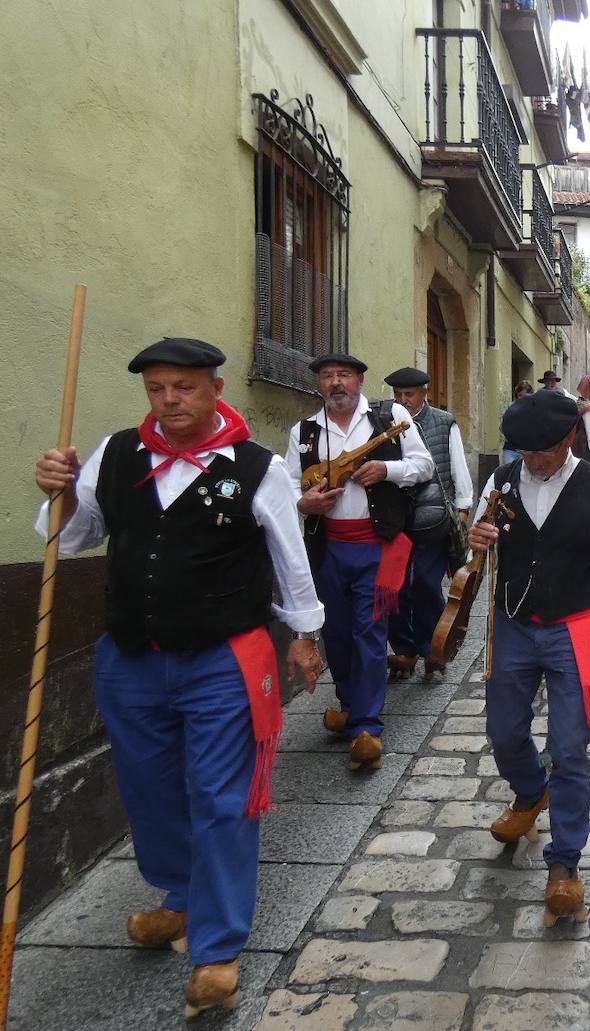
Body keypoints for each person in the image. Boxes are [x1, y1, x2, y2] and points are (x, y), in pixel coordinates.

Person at [32, 338, 324, 1017]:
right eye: (158, 388)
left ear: (215, 387)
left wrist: (305, 636)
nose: (169, 400)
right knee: (149, 790)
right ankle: (182, 896)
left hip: (223, 660)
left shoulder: (256, 468)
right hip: (131, 657)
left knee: (222, 797)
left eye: (183, 388)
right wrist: (56, 491)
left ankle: (217, 947)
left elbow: (290, 558)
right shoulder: (116, 455)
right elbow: (68, 536)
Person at [467, 390, 590, 926]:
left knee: (570, 748)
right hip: (513, 627)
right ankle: (528, 791)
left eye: (540, 450)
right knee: (503, 732)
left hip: (575, 629)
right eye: (521, 450)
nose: (531, 460)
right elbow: (474, 549)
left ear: (568, 439)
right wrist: (476, 539)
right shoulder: (500, 482)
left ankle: (564, 862)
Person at [285, 354, 434, 771]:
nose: (336, 383)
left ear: (359, 380)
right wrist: (304, 502)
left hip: (377, 545)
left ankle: (367, 725)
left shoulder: (390, 416)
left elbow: (423, 466)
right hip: (327, 547)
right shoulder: (305, 432)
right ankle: (350, 705)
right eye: (328, 377)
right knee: (336, 633)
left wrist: (385, 469)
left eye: (344, 376)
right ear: (319, 385)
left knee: (369, 630)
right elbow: (286, 488)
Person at [382, 367, 474, 682]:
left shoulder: (443, 423)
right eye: (398, 395)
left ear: (424, 392)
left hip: (434, 517)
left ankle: (433, 647)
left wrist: (462, 509)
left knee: (424, 582)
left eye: (409, 394)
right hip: (395, 519)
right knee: (395, 588)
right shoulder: (384, 422)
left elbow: (458, 465)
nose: (402, 401)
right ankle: (405, 649)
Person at [502, 381, 536, 464]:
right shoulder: (511, 408)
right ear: (516, 396)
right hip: (511, 448)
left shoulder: (534, 409)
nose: (522, 398)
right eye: (520, 395)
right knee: (509, 472)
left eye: (525, 395)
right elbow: (503, 426)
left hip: (527, 450)